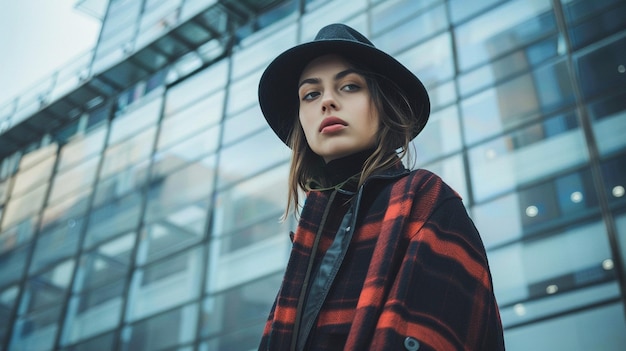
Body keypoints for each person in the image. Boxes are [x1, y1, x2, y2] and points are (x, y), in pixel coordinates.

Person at [257, 23, 505, 351]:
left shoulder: (426, 200)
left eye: (349, 86)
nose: (327, 101)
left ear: (382, 104)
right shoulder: (309, 236)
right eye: (311, 94)